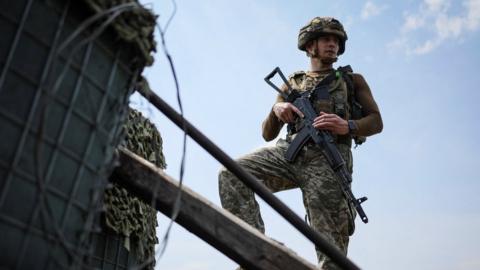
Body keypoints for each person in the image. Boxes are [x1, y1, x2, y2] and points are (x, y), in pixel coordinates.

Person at [218, 17, 383, 269]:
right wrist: (277, 109)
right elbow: (267, 134)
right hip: (289, 156)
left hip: (328, 166)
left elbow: (376, 122)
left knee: (331, 253)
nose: (333, 45)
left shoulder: (352, 80)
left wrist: (347, 125)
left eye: (337, 41)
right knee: (231, 173)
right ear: (309, 46)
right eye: (326, 39)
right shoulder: (291, 83)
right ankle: (252, 253)